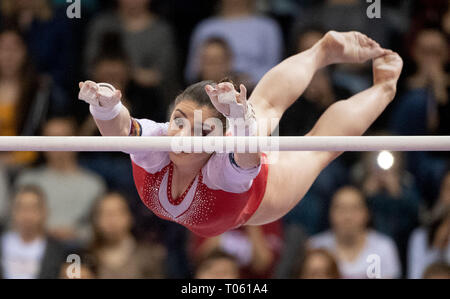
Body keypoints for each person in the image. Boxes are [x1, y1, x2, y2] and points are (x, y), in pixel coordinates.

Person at [78, 31, 403, 239]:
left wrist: (240, 122)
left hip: (261, 193)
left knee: (317, 149)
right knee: (263, 105)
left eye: (201, 131)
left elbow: (246, 154)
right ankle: (320, 51)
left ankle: (385, 88)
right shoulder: (159, 143)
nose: (182, 135)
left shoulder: (221, 171)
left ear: (220, 137)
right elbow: (120, 130)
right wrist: (106, 106)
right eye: (179, 121)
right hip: (237, 136)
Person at [15, 117, 106, 243]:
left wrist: (77, 233)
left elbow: (101, 227)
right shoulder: (27, 180)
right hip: (34, 248)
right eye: (49, 138)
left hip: (79, 249)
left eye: (61, 137)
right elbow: (12, 224)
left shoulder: (93, 184)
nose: (55, 144)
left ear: (76, 140)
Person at [309, 186, 401, 279]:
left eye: (354, 208)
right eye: (341, 209)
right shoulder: (315, 246)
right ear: (330, 213)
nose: (348, 216)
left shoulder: (384, 247)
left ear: (366, 213)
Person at [185, 0, 283, 87]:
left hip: (255, 93)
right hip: (210, 92)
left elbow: (275, 69)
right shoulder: (205, 28)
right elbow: (193, 72)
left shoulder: (267, 27)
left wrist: (243, 81)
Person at [86, 192, 167, 279]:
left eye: (117, 212)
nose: (111, 219)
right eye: (105, 213)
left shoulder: (150, 255)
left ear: (130, 217)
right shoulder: (86, 257)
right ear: (96, 220)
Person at [0, 185, 66, 279]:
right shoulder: (2, 244)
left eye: (33, 208)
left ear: (44, 212)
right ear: (12, 210)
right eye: (21, 207)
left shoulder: (58, 251)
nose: (27, 214)